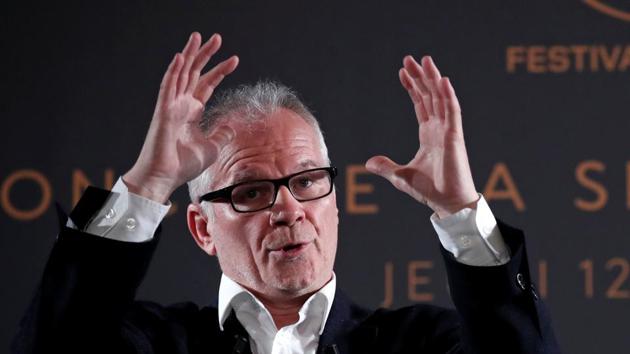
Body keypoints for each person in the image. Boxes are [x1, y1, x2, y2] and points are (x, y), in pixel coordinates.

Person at [13, 32, 560, 354]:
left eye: (306, 182)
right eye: (251, 192)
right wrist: (148, 185)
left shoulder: (418, 344)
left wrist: (462, 212)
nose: (288, 209)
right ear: (203, 227)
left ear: (335, 205)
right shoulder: (150, 342)